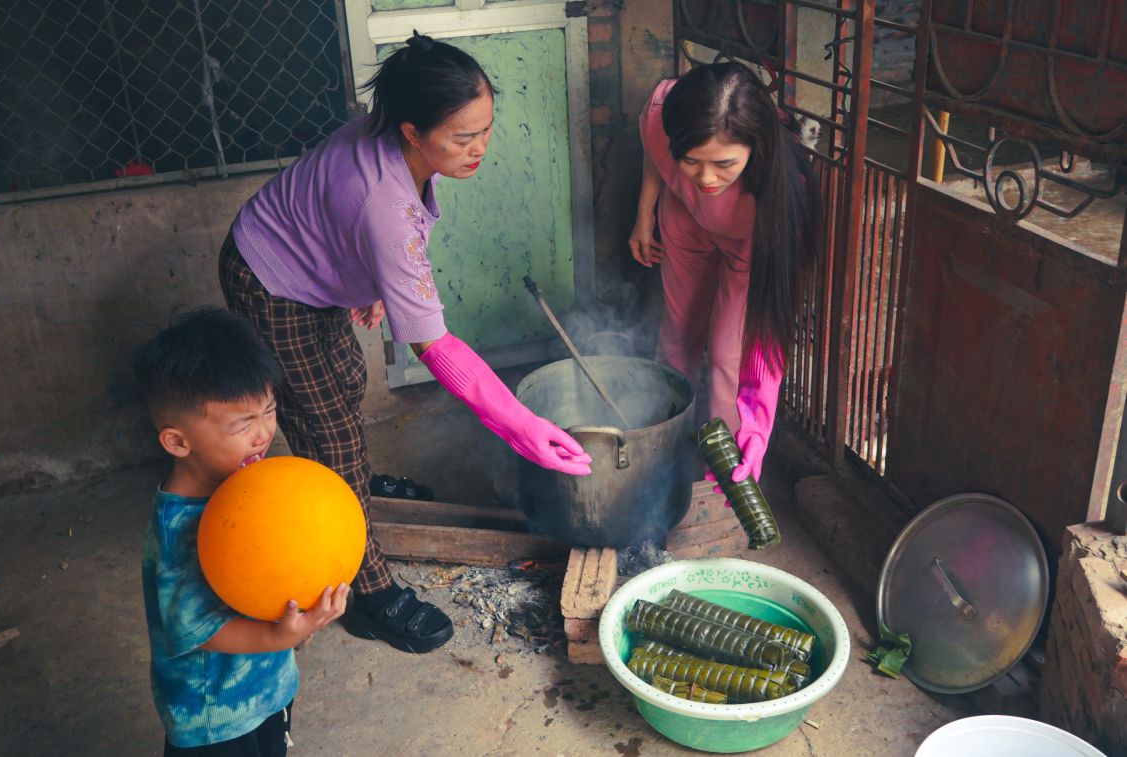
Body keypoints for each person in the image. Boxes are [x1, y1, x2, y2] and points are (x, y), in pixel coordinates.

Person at [219, 32, 592, 654]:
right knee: (327, 429)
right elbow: (434, 346)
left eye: (486, 129)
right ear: (413, 132)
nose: (479, 148)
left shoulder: (394, 135)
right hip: (271, 278)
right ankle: (368, 592)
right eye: (462, 137)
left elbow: (373, 229)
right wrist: (521, 425)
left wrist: (376, 284)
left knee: (345, 381)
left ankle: (354, 487)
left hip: (314, 264)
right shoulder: (384, 205)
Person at [136, 307, 349, 756]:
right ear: (178, 441)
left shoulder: (252, 489)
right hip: (215, 715)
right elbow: (195, 628)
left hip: (267, 687)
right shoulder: (178, 527)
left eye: (268, 411)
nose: (263, 433)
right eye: (242, 424)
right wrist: (280, 637)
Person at [628, 61, 820, 485]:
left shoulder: (785, 195)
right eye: (690, 160)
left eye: (725, 163)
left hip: (750, 246)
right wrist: (644, 216)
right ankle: (660, 456)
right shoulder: (664, 110)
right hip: (685, 220)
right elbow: (653, 147)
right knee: (677, 336)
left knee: (728, 358)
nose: (706, 177)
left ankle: (724, 481)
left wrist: (757, 426)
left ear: (756, 146)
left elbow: (766, 335)